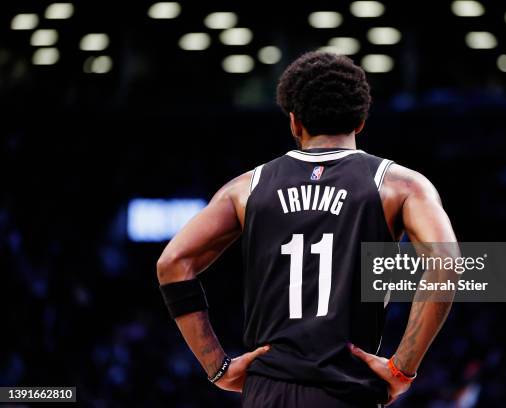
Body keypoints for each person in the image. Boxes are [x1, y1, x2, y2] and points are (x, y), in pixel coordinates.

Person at [156, 51, 457, 407]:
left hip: (268, 391)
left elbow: (172, 263)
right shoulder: (400, 185)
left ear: (294, 122)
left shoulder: (246, 188)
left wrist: (217, 367)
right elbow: (446, 263)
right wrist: (403, 367)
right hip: (349, 389)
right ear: (360, 121)